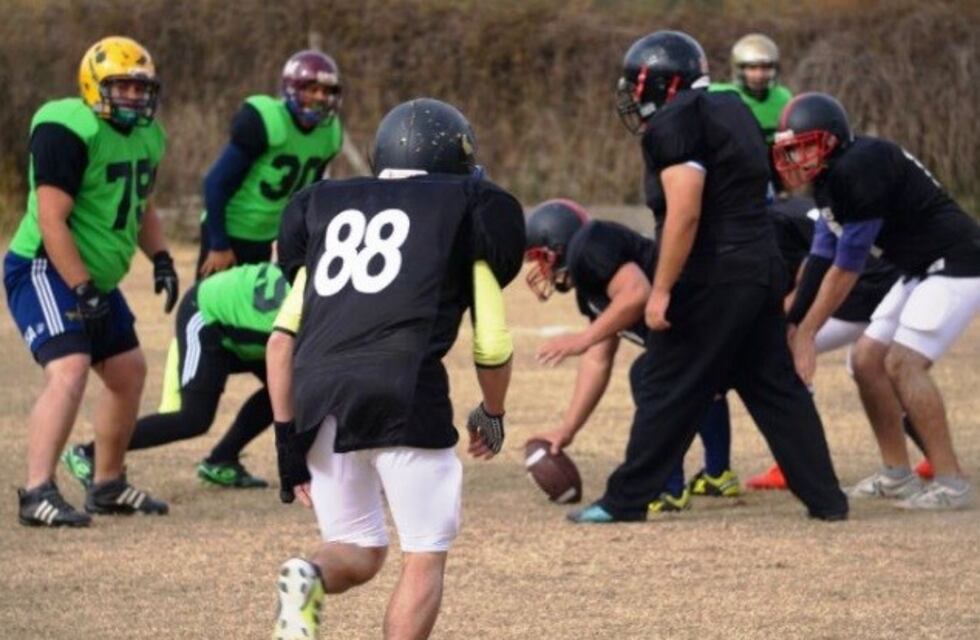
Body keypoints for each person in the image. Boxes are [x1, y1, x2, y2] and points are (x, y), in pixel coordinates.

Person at [266, 98, 525, 639]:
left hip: (317, 398)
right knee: (423, 557)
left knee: (357, 549)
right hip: (403, 392)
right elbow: (493, 342)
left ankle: (307, 575)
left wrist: (289, 440)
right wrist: (493, 412)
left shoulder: (326, 203)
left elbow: (279, 343)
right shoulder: (465, 203)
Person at [569, 30, 847, 523]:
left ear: (662, 83)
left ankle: (626, 499)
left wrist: (662, 289)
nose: (634, 95)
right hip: (762, 265)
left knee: (662, 379)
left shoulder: (675, 123)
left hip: (716, 272)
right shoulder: (732, 107)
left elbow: (685, 213)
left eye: (638, 84)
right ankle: (827, 499)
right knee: (773, 385)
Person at [774, 92, 980, 509]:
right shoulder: (831, 180)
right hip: (920, 267)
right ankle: (897, 474)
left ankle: (952, 481)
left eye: (805, 145)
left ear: (830, 140)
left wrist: (808, 333)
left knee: (903, 363)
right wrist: (794, 321)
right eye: (791, 148)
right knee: (865, 360)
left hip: (957, 261)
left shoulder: (861, 167)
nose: (797, 157)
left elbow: (846, 269)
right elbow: (821, 257)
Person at [4, 36, 176, 527]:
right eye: (121, 87)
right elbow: (53, 220)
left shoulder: (148, 137)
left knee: (128, 372)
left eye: (140, 88)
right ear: (93, 85)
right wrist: (82, 287)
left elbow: (138, 204)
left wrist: (161, 255)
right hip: (44, 265)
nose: (133, 98)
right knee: (71, 367)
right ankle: (36, 491)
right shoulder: (68, 127)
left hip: (91, 276)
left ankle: (106, 484)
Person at [524, 199, 739, 512]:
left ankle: (669, 486)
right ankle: (719, 474)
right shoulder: (590, 289)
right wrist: (567, 429)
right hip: (703, 328)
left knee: (649, 374)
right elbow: (598, 360)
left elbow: (637, 295)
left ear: (561, 245)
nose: (540, 269)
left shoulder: (594, 246)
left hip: (710, 319)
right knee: (701, 383)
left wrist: (582, 338)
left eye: (542, 257)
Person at [747, 197, 933, 489]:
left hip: (861, 289)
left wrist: (788, 322)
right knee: (874, 369)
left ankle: (793, 465)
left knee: (785, 354)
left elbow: (805, 271)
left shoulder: (769, 222)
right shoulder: (793, 206)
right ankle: (934, 456)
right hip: (889, 279)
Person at [62, 262, 290, 489]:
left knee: (285, 390)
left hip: (248, 324)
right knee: (193, 418)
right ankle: (89, 453)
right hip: (208, 315)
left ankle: (222, 460)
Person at [198, 50, 344, 279]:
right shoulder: (266, 120)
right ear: (292, 89)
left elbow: (307, 198)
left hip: (269, 238)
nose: (319, 97)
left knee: (257, 311)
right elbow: (215, 183)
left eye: (326, 92)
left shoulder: (330, 133)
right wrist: (218, 244)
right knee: (212, 308)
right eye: (311, 89)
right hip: (230, 231)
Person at [709, 33, 793, 143]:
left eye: (766, 68)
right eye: (752, 68)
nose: (759, 75)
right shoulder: (721, 96)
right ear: (739, 69)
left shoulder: (783, 97)